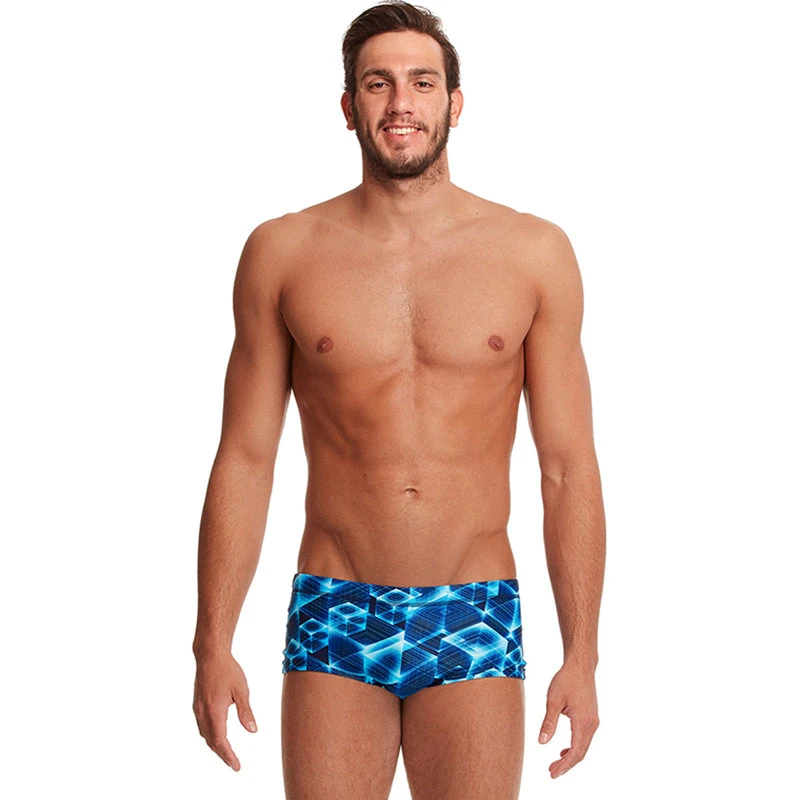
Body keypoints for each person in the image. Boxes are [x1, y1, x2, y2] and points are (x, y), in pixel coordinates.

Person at [192, 2, 605, 796]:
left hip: (473, 609)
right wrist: (212, 642)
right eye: (378, 84)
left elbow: (566, 467)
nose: (401, 103)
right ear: (349, 107)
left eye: (422, 82)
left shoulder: (533, 253)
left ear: (456, 102)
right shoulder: (283, 252)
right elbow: (245, 457)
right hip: (336, 606)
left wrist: (582, 655)